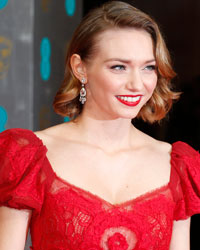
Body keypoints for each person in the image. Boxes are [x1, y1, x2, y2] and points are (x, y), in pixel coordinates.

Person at [0, 1, 199, 250]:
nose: (137, 84)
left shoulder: (176, 165)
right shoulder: (29, 158)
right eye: (119, 67)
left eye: (148, 67)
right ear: (80, 68)